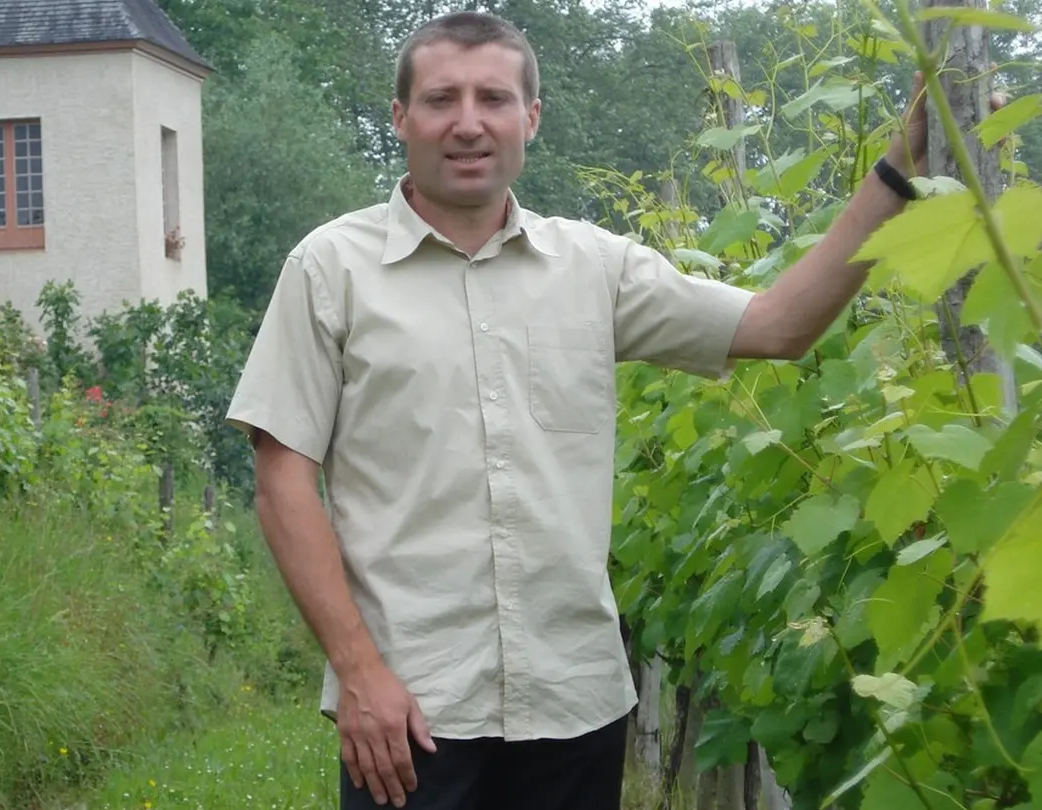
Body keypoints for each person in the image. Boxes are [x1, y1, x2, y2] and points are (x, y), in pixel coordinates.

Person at [224, 9, 957, 810]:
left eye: (494, 99)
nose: (468, 123)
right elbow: (282, 481)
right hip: (409, 712)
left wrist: (899, 168)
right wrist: (359, 672)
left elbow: (779, 325)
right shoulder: (330, 269)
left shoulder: (595, 269)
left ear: (530, 119)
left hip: (573, 703)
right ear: (400, 118)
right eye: (441, 100)